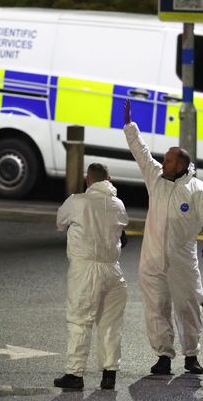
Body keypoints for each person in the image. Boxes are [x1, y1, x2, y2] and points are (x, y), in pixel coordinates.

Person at [122, 99, 203, 375]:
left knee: (189, 307)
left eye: (167, 160)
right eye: (163, 159)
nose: (161, 162)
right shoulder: (155, 177)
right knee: (156, 309)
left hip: (182, 262)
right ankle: (163, 356)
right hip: (152, 260)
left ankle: (191, 356)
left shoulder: (197, 189)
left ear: (180, 166)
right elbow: (140, 152)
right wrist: (130, 126)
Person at [53, 163, 129, 390]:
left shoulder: (77, 201)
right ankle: (109, 375)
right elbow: (121, 231)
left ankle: (75, 374)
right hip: (114, 271)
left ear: (88, 180)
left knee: (80, 321)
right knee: (111, 325)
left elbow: (60, 222)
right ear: (109, 179)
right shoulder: (118, 204)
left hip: (86, 270)